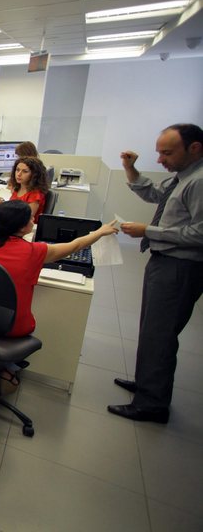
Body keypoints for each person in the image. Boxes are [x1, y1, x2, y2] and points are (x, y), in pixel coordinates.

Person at [108, 124, 203, 424]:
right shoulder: (183, 178)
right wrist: (130, 169)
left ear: (195, 148)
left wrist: (147, 230)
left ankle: (151, 404)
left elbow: (200, 233)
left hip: (180, 266)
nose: (161, 160)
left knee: (160, 334)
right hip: (165, 260)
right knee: (151, 329)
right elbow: (154, 193)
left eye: (167, 152)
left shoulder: (199, 182)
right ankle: (147, 383)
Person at [0, 201, 118, 339]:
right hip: (13, 327)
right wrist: (99, 232)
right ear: (23, 228)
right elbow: (75, 245)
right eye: (31, 218)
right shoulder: (33, 252)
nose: (33, 220)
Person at [0, 156, 48, 223]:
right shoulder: (17, 189)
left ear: (34, 175)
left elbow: (24, 218)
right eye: (17, 170)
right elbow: (13, 210)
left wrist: (0, 206)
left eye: (25, 171)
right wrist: (0, 203)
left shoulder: (35, 194)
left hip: (25, 229)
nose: (19, 174)